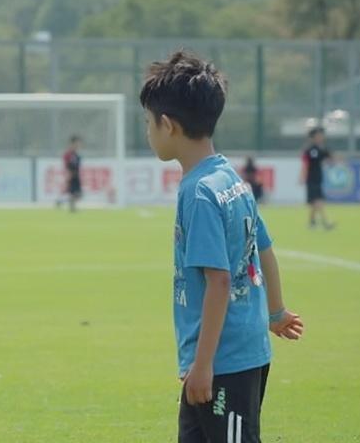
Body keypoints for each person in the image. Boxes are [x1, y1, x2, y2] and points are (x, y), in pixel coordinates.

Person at [139, 51, 304, 443]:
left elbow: (219, 282)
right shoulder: (229, 178)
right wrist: (276, 311)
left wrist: (203, 365)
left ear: (168, 125)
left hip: (224, 361)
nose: (148, 132)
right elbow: (264, 250)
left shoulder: (199, 193)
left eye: (148, 123)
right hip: (227, 353)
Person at [300, 127, 335, 230]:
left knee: (315, 202)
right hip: (311, 179)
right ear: (314, 137)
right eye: (319, 135)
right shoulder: (310, 150)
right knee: (318, 201)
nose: (321, 137)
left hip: (318, 178)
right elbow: (305, 164)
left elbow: (330, 158)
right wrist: (303, 176)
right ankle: (326, 222)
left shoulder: (322, 149)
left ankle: (311, 223)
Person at [56, 135, 82, 212]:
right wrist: (68, 174)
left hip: (76, 175)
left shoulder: (75, 154)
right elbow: (67, 164)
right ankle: (72, 208)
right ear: (73, 143)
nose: (79, 145)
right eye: (77, 143)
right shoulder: (69, 154)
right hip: (72, 175)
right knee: (73, 193)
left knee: (77, 194)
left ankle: (61, 202)